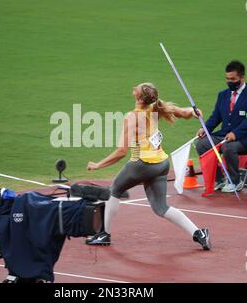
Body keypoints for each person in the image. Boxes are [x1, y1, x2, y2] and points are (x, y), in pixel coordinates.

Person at [85, 82, 211, 250]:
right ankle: (199, 233)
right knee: (161, 208)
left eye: (135, 89)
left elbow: (122, 151)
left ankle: (104, 234)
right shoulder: (156, 107)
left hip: (141, 164)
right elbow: (183, 112)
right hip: (161, 164)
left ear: (139, 97)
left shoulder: (131, 117)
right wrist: (193, 112)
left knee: (113, 190)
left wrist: (98, 165)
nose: (133, 89)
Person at [195, 60, 247, 192]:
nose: (229, 81)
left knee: (228, 146)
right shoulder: (223, 95)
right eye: (227, 79)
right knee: (202, 144)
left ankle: (235, 181)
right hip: (224, 135)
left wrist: (236, 133)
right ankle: (218, 179)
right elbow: (216, 116)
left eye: (233, 79)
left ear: (242, 77)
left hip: (245, 139)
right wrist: (205, 129)